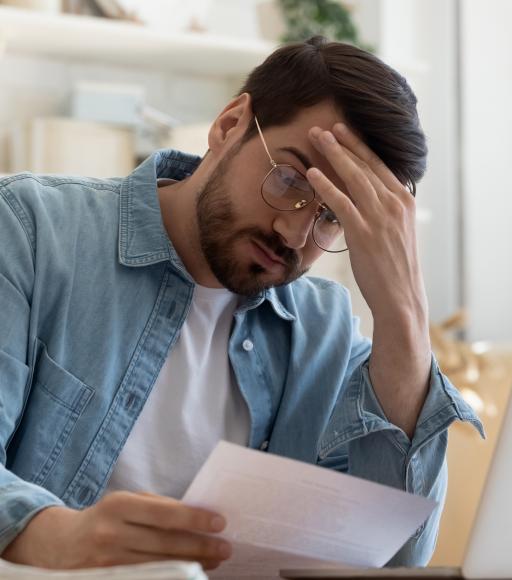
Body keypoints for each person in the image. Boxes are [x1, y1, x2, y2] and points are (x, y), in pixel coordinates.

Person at [0, 36, 482, 571]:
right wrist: (57, 534)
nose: (295, 232)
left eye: (332, 217)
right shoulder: (32, 230)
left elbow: (395, 561)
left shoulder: (323, 330)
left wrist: (405, 314)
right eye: (291, 179)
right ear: (230, 125)